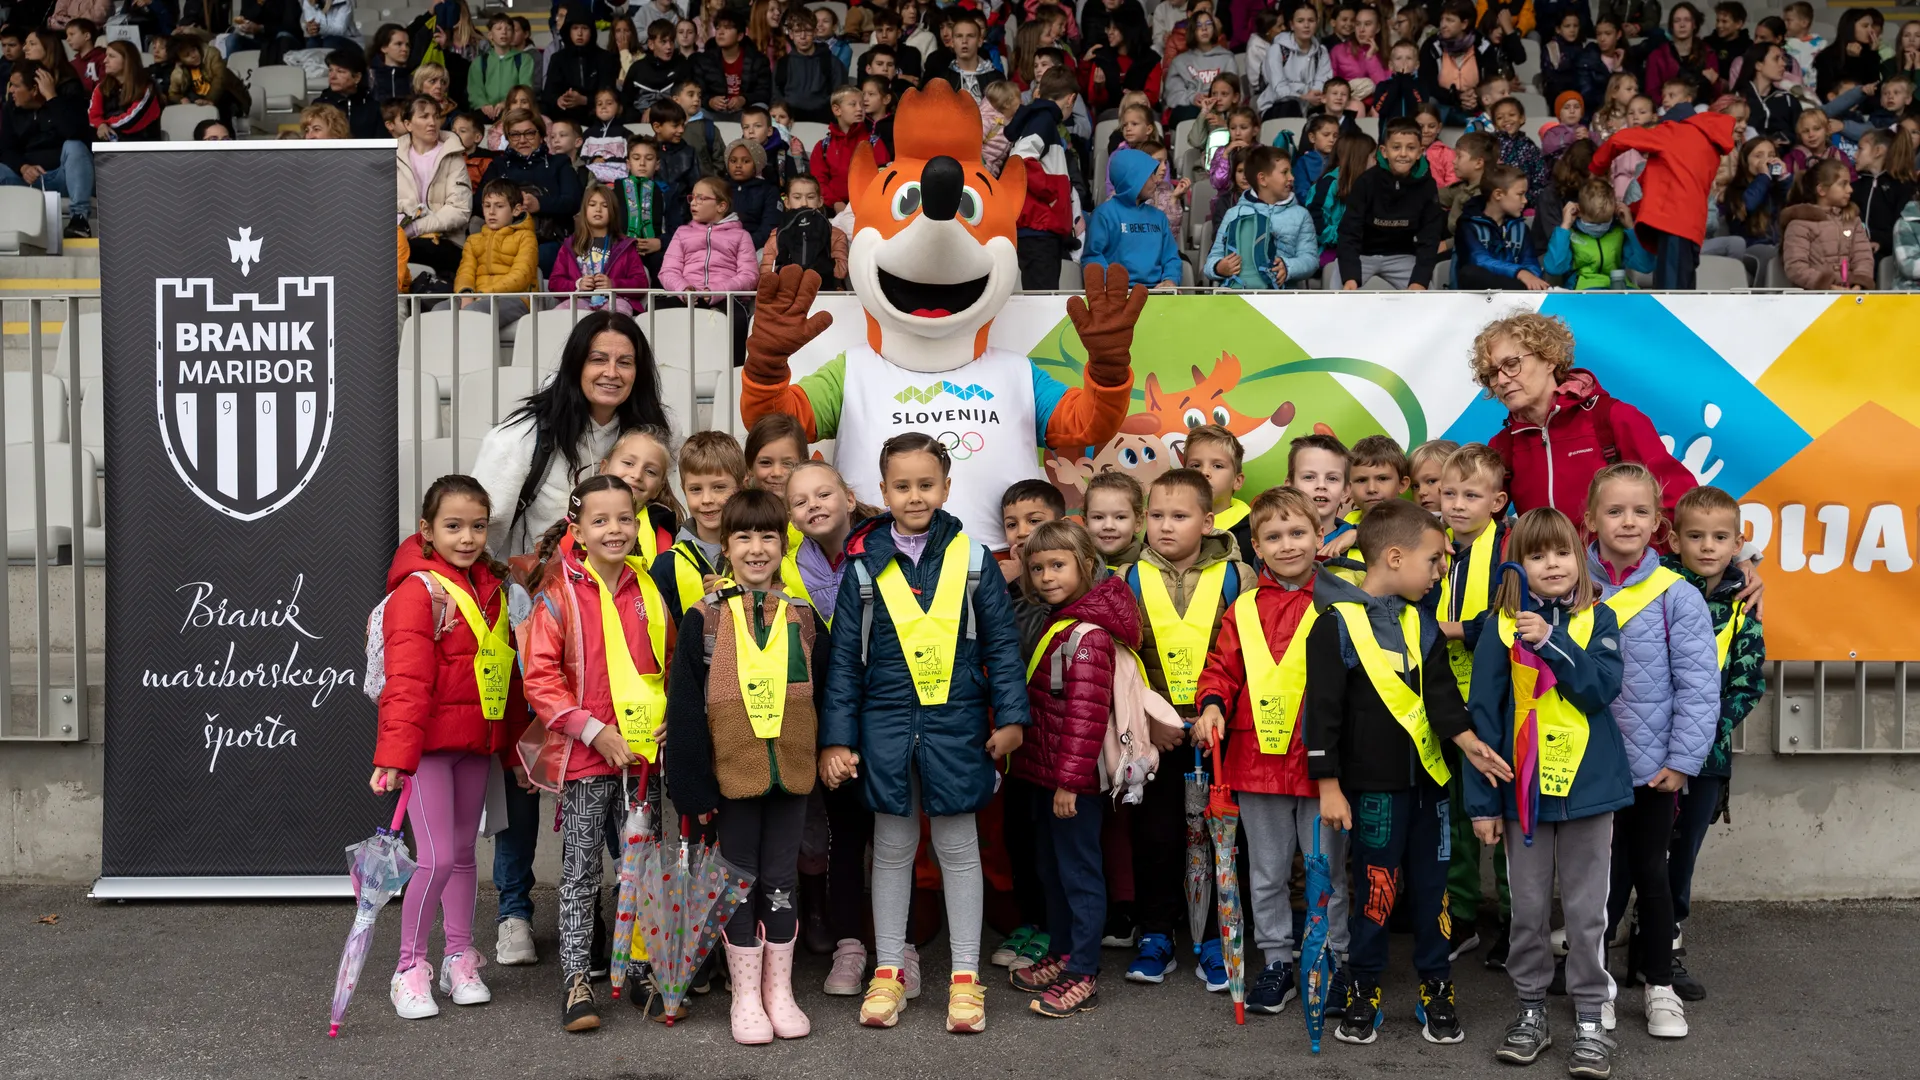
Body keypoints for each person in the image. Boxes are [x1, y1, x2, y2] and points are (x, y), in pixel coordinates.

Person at [468, 312, 668, 967]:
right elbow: (484, 530)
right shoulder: (524, 435)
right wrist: (515, 608)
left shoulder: (647, 440)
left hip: (615, 634)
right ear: (575, 363)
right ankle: (515, 910)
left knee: (611, 777)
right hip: (536, 628)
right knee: (526, 773)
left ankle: (618, 920)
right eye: (598, 358)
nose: (611, 372)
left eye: (625, 361)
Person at [817, 432, 1029, 1033]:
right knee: (891, 850)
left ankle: (965, 979)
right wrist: (838, 739)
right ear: (881, 491)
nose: (915, 496)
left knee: (960, 850)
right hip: (883, 726)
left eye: (926, 484)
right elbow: (843, 669)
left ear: (946, 487)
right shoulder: (862, 568)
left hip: (958, 723)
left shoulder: (976, 561)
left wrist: (1011, 720)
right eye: (902, 486)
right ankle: (888, 972)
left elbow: (1004, 652)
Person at [1307, 498, 1514, 1046]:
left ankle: (1436, 985)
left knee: (1434, 890)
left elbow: (1442, 695)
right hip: (1373, 790)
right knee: (1375, 889)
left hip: (1433, 786)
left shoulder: (1419, 621)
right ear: (1395, 557)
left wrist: (1469, 744)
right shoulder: (1334, 626)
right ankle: (1365, 987)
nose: (1441, 571)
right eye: (1434, 560)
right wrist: (1328, 785)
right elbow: (1322, 713)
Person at [1461, 506, 1628, 1077]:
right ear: (1519, 567)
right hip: (1521, 796)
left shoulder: (1597, 620)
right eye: (1536, 555)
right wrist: (1483, 803)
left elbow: (1599, 690)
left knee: (1585, 913)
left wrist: (1553, 642)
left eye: (1561, 552)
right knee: (1528, 911)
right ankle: (1531, 1011)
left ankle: (1588, 1017)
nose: (1551, 564)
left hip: (1589, 793)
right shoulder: (1499, 626)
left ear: (1579, 559)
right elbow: (1482, 718)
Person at [664, 487, 821, 1044]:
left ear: (784, 545)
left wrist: (827, 751)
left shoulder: (802, 617)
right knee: (738, 881)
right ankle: (746, 997)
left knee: (781, 881)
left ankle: (780, 993)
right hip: (732, 773)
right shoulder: (703, 619)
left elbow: (825, 692)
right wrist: (692, 785)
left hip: (793, 772)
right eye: (743, 537)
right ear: (725, 547)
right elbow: (683, 705)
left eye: (768, 537)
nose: (756, 548)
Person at [518, 474, 671, 1032]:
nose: (615, 529)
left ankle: (640, 968)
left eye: (625, 519)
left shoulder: (647, 590)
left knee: (641, 866)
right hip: (586, 760)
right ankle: (577, 979)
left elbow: (669, 663)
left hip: (639, 762)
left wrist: (667, 716)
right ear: (578, 532)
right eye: (600, 520)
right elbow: (540, 678)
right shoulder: (557, 594)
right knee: (581, 870)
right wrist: (590, 730)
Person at [1190, 486, 1350, 1016]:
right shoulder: (1243, 608)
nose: (1287, 545)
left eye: (1298, 532)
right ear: (1255, 546)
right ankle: (1279, 960)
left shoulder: (1342, 600)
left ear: (1319, 535)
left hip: (1322, 762)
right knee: (1267, 871)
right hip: (1255, 759)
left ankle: (1331, 958)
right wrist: (1211, 703)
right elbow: (1222, 667)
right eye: (1274, 536)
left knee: (1326, 868)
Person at [372, 474, 526, 1021]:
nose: (467, 537)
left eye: (478, 526)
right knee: (434, 859)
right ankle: (408, 968)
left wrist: (514, 754)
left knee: (463, 858)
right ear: (427, 530)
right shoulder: (417, 591)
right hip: (429, 751)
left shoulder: (492, 589)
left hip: (476, 745)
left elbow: (504, 678)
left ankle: (460, 957)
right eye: (453, 526)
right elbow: (406, 681)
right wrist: (394, 756)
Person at [1584, 461, 1718, 1040]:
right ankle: (1599, 986)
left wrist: (1681, 761)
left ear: (1659, 523)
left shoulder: (1676, 595)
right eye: (1614, 511)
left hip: (1652, 771)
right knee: (1599, 884)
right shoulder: (1570, 583)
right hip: (1589, 770)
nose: (1628, 521)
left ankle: (1659, 986)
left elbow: (1698, 685)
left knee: (1652, 877)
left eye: (1641, 511)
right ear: (1589, 519)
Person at [1118, 469, 1253, 988]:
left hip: (1223, 730)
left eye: (1180, 516)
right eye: (1156, 516)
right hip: (1158, 730)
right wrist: (1152, 717)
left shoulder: (1238, 576)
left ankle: (1221, 936)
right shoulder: (1127, 577)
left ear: (1208, 520)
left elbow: (1253, 655)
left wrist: (1225, 714)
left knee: (1223, 838)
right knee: (1157, 837)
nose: (1166, 527)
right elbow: (1123, 661)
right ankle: (1156, 934)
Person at [1007, 519, 1135, 1019]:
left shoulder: (1086, 635)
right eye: (1036, 567)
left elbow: (1085, 718)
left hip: (1070, 782)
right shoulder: (1059, 619)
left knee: (1079, 872)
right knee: (1051, 870)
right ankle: (1061, 954)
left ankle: (1082, 972)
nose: (1045, 576)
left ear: (1085, 564)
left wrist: (1070, 784)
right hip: (1044, 773)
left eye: (1057, 565)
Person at [1660, 485, 1764, 1003]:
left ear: (1737, 542)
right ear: (1674, 539)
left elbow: (1748, 683)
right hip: (1649, 750)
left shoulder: (1744, 606)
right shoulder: (1653, 588)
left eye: (1720, 537)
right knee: (1630, 854)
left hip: (1707, 759)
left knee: (1682, 858)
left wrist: (1705, 732)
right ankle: (1602, 946)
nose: (1707, 547)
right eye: (1695, 536)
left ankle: (1664, 951)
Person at [1473, 313, 1697, 531]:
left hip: (1618, 568)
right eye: (1492, 373)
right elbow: (1475, 520)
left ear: (1549, 359)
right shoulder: (1504, 445)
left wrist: (1642, 560)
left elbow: (1680, 503)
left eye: (1512, 364)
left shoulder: (1613, 418)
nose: (1501, 380)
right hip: (1545, 569)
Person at [1588, 102, 1736, 287]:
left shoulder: (1674, 132)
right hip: (1692, 230)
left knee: (1670, 298)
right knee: (1682, 295)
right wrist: (1631, 210)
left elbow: (1621, 139)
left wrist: (1597, 167)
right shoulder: (1708, 145)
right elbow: (1665, 184)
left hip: (1672, 226)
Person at [1339, 116, 1443, 289]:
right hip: (1362, 255)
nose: (1403, 154)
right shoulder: (1366, 182)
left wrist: (1419, 281)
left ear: (1420, 152)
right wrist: (1350, 276)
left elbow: (1430, 236)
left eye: (1410, 148)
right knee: (1339, 293)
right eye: (1396, 147)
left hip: (1403, 256)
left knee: (1427, 299)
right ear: (1384, 151)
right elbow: (1349, 232)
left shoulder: (1427, 185)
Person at [481, 107, 585, 272]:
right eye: (515, 135)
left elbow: (573, 201)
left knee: (530, 258)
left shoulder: (559, 163)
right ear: (508, 137)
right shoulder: (498, 166)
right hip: (502, 240)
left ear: (541, 135)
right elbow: (478, 202)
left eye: (529, 133)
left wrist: (540, 204)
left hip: (547, 240)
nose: (522, 140)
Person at [1207, 144, 1322, 289]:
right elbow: (1212, 259)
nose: (1291, 177)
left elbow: (1311, 259)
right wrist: (1219, 267)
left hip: (1282, 299)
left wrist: (1288, 267)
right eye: (1284, 172)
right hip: (1239, 298)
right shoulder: (1234, 213)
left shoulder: (1301, 215)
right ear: (1262, 179)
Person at [0, 68, 92, 239]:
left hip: (63, 178)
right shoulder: (11, 110)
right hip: (28, 180)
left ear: (34, 89)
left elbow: (75, 133)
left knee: (74, 146)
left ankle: (79, 220)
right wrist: (23, 167)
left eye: (15, 85)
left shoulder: (64, 103)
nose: (10, 90)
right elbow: (6, 150)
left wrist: (51, 98)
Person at [396, 94, 472, 281]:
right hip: (400, 239)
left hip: (446, 241)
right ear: (408, 124)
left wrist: (415, 228)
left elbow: (459, 210)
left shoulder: (452, 155)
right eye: (424, 116)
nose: (432, 122)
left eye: (436, 116)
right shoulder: (391, 156)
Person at [1085, 146, 1183, 290]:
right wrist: (1112, 284)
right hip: (1118, 295)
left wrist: (1170, 280)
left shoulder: (1159, 217)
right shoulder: (1104, 214)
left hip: (1158, 293)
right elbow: (1092, 257)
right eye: (1149, 176)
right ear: (1133, 179)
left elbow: (1171, 257)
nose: (1156, 181)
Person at [550, 182, 651, 313]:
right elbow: (554, 283)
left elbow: (641, 283)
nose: (598, 209)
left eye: (605, 206)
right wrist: (577, 285)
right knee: (560, 314)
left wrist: (613, 285)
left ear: (613, 212)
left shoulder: (625, 245)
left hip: (616, 299)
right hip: (580, 299)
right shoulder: (570, 245)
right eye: (592, 205)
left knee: (614, 317)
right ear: (584, 210)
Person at [1780, 157, 1877, 289]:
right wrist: (1829, 288)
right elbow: (1796, 267)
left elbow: (1864, 258)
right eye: (1843, 184)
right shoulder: (1799, 223)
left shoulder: (1853, 220)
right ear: (1822, 190)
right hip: (1814, 300)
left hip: (1852, 296)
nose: (1850, 189)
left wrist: (1858, 285)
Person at [1544, 176, 1656, 287]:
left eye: (1605, 222)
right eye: (1592, 223)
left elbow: (1645, 266)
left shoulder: (1619, 232)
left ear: (1614, 211)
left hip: (1618, 286)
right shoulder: (1571, 234)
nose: (1599, 228)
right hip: (1585, 290)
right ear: (1579, 212)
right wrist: (1565, 226)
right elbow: (1554, 268)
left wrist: (1630, 227)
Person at [659, 175, 761, 297]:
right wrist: (684, 290)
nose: (692, 203)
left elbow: (749, 276)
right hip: (686, 298)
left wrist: (716, 292)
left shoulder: (742, 236)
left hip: (727, 300)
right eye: (692, 197)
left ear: (721, 206)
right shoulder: (682, 233)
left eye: (700, 198)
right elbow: (668, 271)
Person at [1455, 162, 1548, 289]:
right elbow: (1479, 260)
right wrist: (1519, 273)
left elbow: (1530, 263)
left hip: (1515, 292)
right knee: (1470, 273)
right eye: (1520, 194)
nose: (1525, 200)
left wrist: (1529, 276)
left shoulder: (1520, 228)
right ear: (1498, 194)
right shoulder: (1468, 225)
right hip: (1476, 297)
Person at [694, 9, 771, 122]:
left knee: (761, 108)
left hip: (744, 113)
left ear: (740, 36)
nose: (720, 32)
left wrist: (744, 99)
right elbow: (698, 91)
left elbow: (764, 92)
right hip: (715, 113)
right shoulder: (705, 60)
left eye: (727, 28)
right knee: (695, 111)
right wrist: (710, 101)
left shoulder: (757, 60)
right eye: (718, 28)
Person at [1261, 1, 1333, 118]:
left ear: (1316, 22)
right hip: (1277, 105)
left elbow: (1322, 82)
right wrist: (1303, 96)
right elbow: (1279, 89)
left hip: (1310, 105)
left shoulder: (1321, 51)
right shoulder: (1277, 50)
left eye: (1311, 20)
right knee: (1291, 106)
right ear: (1292, 25)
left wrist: (1314, 95)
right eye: (1300, 21)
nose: (1306, 25)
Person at [773, 7, 844, 124]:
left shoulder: (831, 62)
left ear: (815, 32)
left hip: (823, 120)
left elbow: (839, 96)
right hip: (789, 120)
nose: (802, 37)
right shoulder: (782, 64)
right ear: (791, 34)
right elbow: (776, 97)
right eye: (797, 31)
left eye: (808, 31)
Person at [808, 85, 870, 212]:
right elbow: (818, 180)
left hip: (867, 207)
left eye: (862, 105)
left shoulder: (873, 142)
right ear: (837, 110)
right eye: (853, 104)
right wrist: (835, 202)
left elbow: (880, 176)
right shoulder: (823, 146)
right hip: (832, 209)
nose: (860, 109)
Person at [87, 40, 161, 143]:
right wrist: (100, 125)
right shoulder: (101, 88)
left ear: (127, 60)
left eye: (111, 56)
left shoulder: (145, 87)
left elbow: (132, 121)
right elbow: (93, 115)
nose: (105, 61)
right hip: (108, 145)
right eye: (106, 55)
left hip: (141, 146)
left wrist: (103, 124)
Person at [470, 12, 539, 118]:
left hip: (513, 110)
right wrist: (483, 104)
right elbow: (475, 89)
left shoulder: (524, 59)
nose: (504, 32)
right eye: (498, 29)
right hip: (485, 112)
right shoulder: (480, 61)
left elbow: (525, 87)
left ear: (512, 35)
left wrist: (506, 103)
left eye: (509, 29)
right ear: (490, 35)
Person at [624, 17, 694, 120]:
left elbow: (685, 98)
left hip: (673, 118)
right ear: (651, 44)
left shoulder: (682, 65)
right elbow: (625, 102)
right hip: (641, 121)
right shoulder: (637, 68)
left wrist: (655, 110)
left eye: (671, 41)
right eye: (663, 42)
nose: (669, 47)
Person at [1084, 471, 1145, 570]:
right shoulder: (1075, 567)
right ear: (1086, 523)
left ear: (1138, 523)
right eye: (1098, 517)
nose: (1108, 526)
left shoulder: (1158, 567)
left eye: (1120, 517)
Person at [726, 138, 779, 248]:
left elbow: (769, 227)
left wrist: (745, 245)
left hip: (756, 248)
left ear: (756, 165)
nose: (738, 165)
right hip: (721, 246)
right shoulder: (719, 188)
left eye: (746, 161)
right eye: (733, 161)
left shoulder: (769, 191)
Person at [369, 23, 415, 102]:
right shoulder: (370, 77)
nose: (405, 49)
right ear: (384, 48)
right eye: (399, 44)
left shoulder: (413, 79)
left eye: (407, 45)